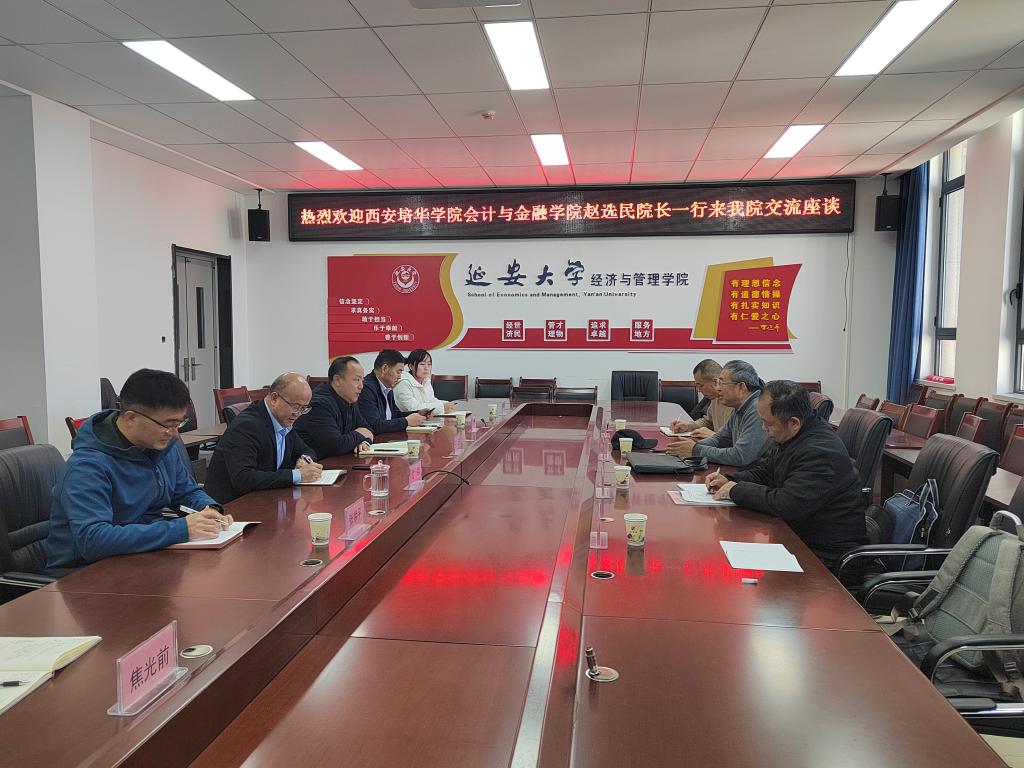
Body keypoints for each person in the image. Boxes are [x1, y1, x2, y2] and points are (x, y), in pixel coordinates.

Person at [45, 368, 233, 573]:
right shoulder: (87, 467)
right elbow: (93, 540)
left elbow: (186, 491)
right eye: (167, 425)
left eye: (179, 423)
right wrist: (182, 528)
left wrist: (208, 509)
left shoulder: (161, 446)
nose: (174, 433)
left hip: (144, 557)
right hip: (85, 574)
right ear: (131, 418)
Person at [705, 380, 867, 569]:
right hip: (799, 539)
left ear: (793, 423)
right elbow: (766, 472)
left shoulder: (819, 451)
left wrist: (736, 490)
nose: (763, 428)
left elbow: (787, 504)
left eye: (767, 423)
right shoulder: (793, 435)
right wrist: (730, 479)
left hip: (826, 557)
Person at [204, 372, 323, 503]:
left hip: (267, 498)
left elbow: (306, 450)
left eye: (303, 408)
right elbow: (244, 479)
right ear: (274, 398)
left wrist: (304, 460)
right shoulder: (246, 426)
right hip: (233, 506)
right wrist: (297, 475)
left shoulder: (283, 422)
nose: (298, 414)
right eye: (295, 407)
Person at [667, 359, 770, 467]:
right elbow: (720, 439)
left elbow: (740, 456)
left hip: (755, 474)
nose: (718, 388)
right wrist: (688, 446)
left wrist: (696, 450)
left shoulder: (757, 409)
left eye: (722, 383)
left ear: (741, 387)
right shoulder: (739, 406)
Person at [294, 356, 374, 457]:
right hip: (315, 463)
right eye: (357, 380)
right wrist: (361, 434)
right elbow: (336, 446)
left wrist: (364, 442)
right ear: (337, 380)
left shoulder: (349, 399)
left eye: (362, 380)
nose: (361, 386)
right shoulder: (318, 405)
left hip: (337, 461)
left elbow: (368, 428)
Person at [357, 349, 431, 434]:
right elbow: (374, 425)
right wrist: (406, 421)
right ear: (384, 368)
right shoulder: (366, 389)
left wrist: (417, 413)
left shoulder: (388, 387)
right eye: (398, 372)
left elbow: (394, 415)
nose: (400, 377)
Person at [669, 359, 733, 439]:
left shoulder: (734, 402)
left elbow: (736, 440)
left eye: (701, 385)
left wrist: (713, 436)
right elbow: (708, 422)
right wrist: (688, 426)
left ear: (716, 382)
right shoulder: (714, 398)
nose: (699, 390)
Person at [394, 349, 455, 415]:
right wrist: (442, 408)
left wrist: (447, 404)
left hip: (424, 419)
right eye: (422, 364)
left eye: (429, 364)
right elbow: (412, 408)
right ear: (411, 366)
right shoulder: (403, 383)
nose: (426, 368)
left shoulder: (425, 380)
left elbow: (431, 400)